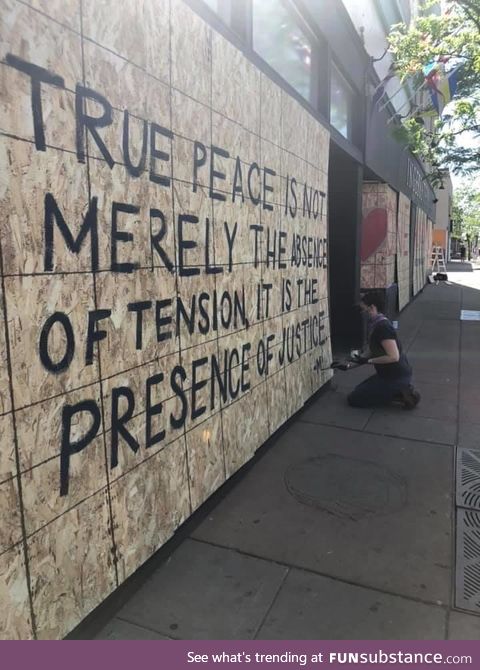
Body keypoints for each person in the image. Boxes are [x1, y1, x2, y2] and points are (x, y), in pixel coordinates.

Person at [347, 291, 421, 409]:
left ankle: (403, 393)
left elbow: (393, 357)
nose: (362, 313)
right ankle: (395, 389)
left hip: (396, 376)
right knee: (357, 392)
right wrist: (349, 366)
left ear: (372, 307)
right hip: (386, 374)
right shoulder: (375, 324)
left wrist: (368, 361)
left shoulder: (383, 327)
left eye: (363, 309)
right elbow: (370, 351)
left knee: (355, 399)